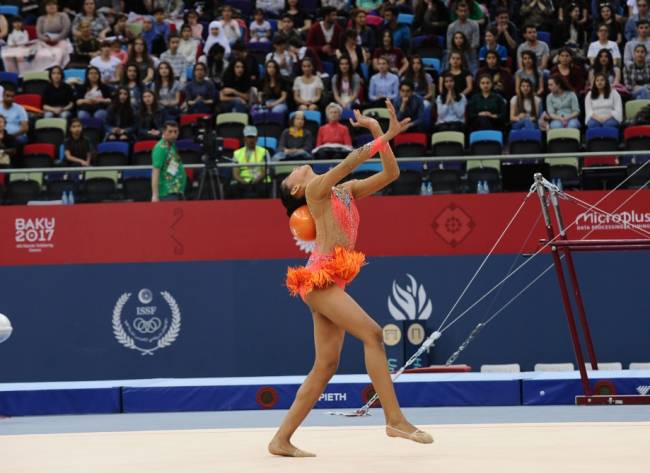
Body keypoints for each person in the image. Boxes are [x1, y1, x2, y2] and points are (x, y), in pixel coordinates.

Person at [271, 99, 432, 458]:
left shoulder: (344, 192)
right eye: (290, 175)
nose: (295, 170)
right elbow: (346, 164)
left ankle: (280, 440)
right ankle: (394, 419)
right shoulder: (316, 191)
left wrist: (380, 134)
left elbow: (390, 175)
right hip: (319, 278)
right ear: (297, 190)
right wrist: (381, 136)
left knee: (325, 366)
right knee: (373, 334)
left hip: (332, 280)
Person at [232, 125, 270, 199]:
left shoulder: (264, 152)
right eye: (249, 137)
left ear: (256, 138)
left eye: (253, 137)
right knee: (233, 189)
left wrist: (255, 181)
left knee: (262, 189)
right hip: (243, 181)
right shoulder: (237, 153)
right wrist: (243, 182)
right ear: (244, 138)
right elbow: (235, 173)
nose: (251, 139)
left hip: (260, 181)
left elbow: (265, 171)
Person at [151, 121, 186, 202]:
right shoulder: (160, 148)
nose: (173, 134)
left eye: (175, 131)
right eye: (170, 131)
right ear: (164, 132)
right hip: (167, 194)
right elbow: (155, 172)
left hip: (177, 190)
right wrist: (154, 196)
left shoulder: (172, 145)